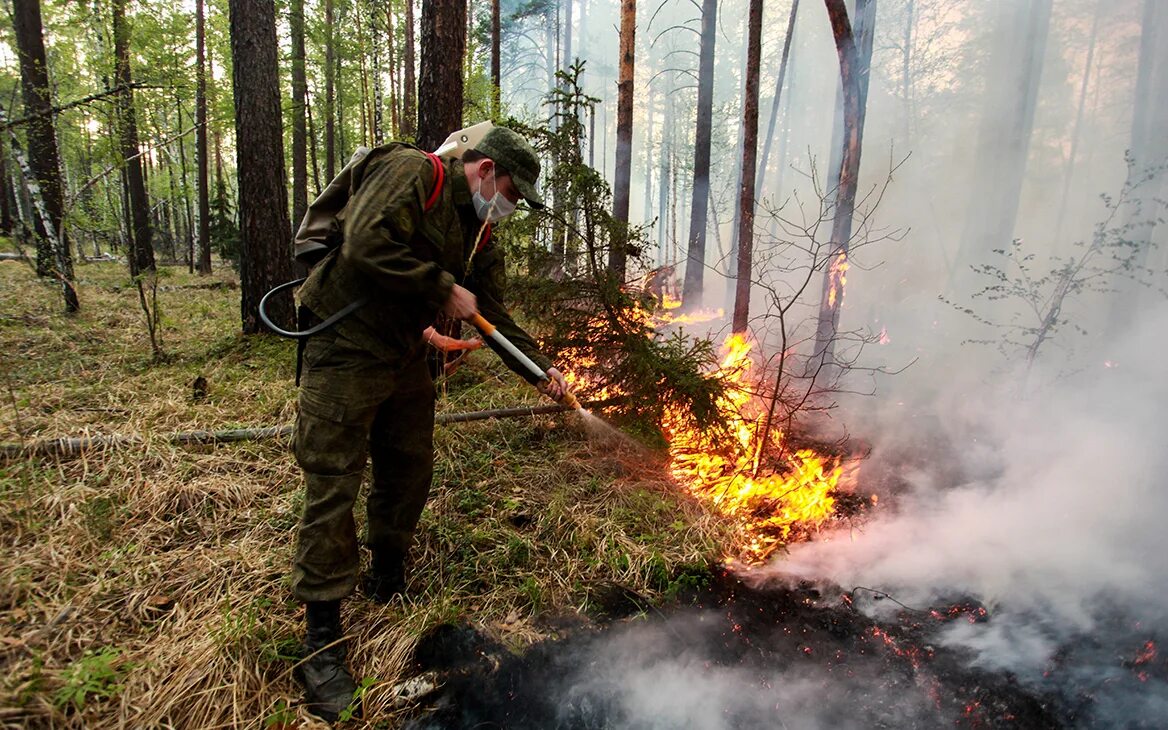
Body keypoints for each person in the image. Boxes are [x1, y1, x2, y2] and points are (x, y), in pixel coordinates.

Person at [289, 126, 571, 721]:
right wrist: (442, 288)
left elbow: (490, 310)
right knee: (333, 481)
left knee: (409, 465)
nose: (510, 207)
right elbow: (367, 242)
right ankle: (322, 644)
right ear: (486, 169)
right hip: (345, 343)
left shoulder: (479, 231)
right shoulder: (415, 172)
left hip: (403, 353)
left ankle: (386, 574)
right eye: (511, 192)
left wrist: (541, 371)